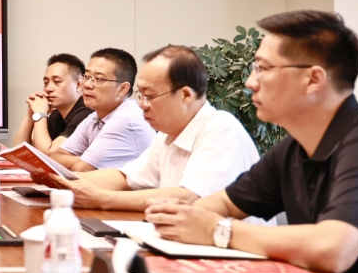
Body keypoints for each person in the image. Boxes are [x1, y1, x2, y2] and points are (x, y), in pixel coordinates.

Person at [146, 11, 358, 273]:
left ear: (313, 80)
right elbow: (224, 204)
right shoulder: (293, 149)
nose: (250, 82)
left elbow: (332, 249)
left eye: (263, 68)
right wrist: (181, 218)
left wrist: (218, 231)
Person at [45, 45, 259, 210]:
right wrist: (56, 181)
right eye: (141, 95)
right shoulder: (166, 135)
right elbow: (125, 178)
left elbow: (188, 197)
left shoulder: (220, 128)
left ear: (185, 95)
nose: (141, 105)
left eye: (149, 96)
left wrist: (103, 199)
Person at [45, 48, 155, 172]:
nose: (87, 85)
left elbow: (79, 170)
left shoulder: (125, 119)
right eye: (87, 76)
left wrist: (83, 162)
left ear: (122, 89)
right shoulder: (95, 117)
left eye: (99, 79)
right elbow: (54, 158)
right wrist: (86, 160)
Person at [11, 53, 91, 154]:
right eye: (46, 82)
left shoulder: (86, 114)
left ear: (79, 84)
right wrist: (30, 115)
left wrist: (40, 114)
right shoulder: (56, 115)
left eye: (57, 81)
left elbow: (50, 155)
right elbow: (19, 152)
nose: (48, 88)